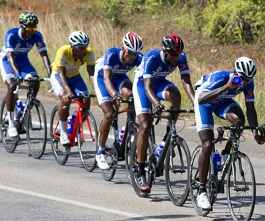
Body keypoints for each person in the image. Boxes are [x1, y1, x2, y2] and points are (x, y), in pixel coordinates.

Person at [193, 57, 265, 210]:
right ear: (234, 73)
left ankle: (226, 154)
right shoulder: (221, 78)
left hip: (222, 103)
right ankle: (201, 191)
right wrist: (227, 87)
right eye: (242, 79)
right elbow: (200, 99)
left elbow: (250, 109)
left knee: (239, 121)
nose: (245, 83)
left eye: (249, 79)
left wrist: (255, 131)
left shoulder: (248, 83)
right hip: (205, 104)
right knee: (207, 144)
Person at [132, 33, 195, 192]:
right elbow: (147, 87)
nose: (177, 57)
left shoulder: (181, 57)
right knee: (145, 127)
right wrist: (156, 103)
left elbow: (186, 81)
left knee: (175, 95)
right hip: (143, 86)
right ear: (165, 51)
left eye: (179, 54)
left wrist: (196, 103)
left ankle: (168, 137)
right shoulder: (151, 57)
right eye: (174, 54)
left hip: (159, 84)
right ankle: (140, 171)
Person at [94, 32, 144, 170]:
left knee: (132, 96)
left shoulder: (138, 58)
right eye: (130, 53)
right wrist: (113, 94)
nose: (132, 57)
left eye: (135, 53)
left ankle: (131, 127)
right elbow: (107, 79)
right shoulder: (112, 54)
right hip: (103, 79)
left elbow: (143, 79)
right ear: (123, 48)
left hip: (120, 77)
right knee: (109, 114)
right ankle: (100, 151)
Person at [0, 12, 51, 138]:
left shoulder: (37, 36)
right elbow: (10, 56)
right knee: (12, 86)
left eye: (34, 28)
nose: (31, 31)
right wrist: (17, 75)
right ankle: (11, 124)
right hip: (8, 61)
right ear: (22, 27)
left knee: (35, 81)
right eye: (29, 28)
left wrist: (50, 73)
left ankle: (27, 109)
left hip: (23, 61)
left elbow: (44, 55)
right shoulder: (11, 35)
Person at [50, 30, 95, 145]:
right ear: (72, 46)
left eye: (85, 47)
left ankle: (74, 123)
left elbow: (92, 74)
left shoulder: (88, 53)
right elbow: (61, 74)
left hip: (75, 77)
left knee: (86, 100)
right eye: (80, 48)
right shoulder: (63, 51)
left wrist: (97, 90)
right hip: (59, 77)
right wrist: (68, 91)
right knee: (65, 100)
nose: (83, 50)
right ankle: (64, 132)